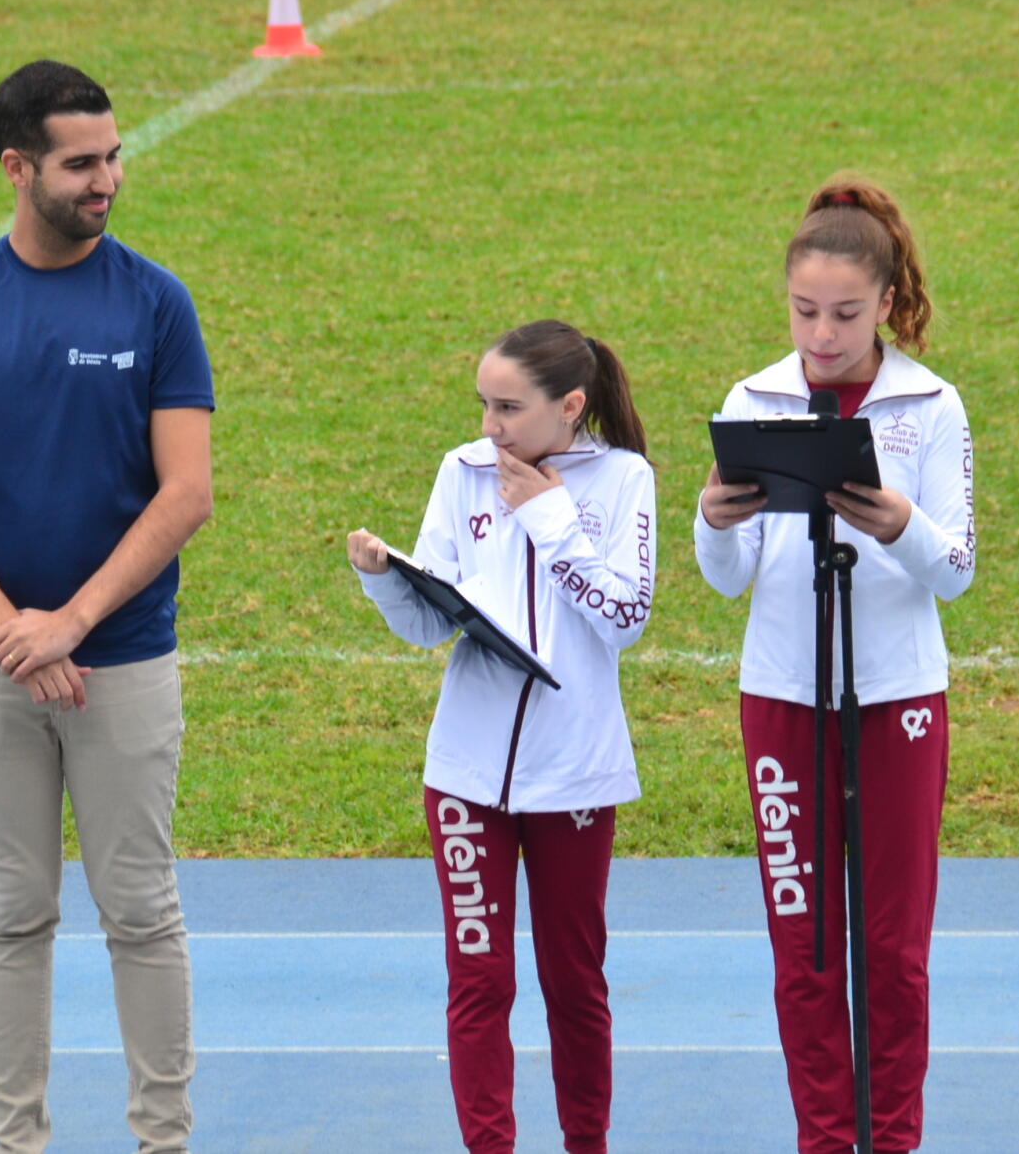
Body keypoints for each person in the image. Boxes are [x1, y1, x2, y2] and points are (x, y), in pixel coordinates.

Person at [0, 59, 215, 1154]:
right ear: (16, 167)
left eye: (113, 156)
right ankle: (15, 1140)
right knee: (13, 909)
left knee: (141, 909)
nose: (107, 179)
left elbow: (186, 492)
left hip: (120, 658)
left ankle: (162, 1139)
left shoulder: (156, 302)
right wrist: (12, 631)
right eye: (81, 163)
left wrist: (68, 623)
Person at [694, 175, 975, 1154]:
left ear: (887, 303)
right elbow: (727, 576)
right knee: (805, 949)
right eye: (804, 310)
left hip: (896, 700)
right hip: (780, 699)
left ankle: (891, 1139)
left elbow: (956, 569)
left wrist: (898, 524)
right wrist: (711, 520)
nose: (822, 333)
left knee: (892, 952)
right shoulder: (753, 399)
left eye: (846, 313)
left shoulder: (930, 404)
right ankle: (822, 1139)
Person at [346, 320, 656, 1154]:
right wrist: (386, 580)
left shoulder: (623, 479)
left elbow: (625, 616)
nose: (490, 426)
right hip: (465, 775)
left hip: (575, 775)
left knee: (573, 980)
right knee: (479, 979)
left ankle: (586, 1142)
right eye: (484, 405)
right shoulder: (463, 471)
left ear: (571, 406)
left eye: (509, 408)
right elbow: (429, 622)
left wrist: (551, 518)